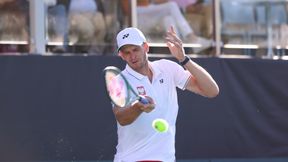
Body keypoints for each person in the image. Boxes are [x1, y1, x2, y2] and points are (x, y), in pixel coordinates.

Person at [113, 26, 219, 161]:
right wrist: (138, 107)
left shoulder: (168, 68)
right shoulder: (118, 81)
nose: (132, 56)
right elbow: (121, 117)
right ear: (121, 55)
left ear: (146, 47)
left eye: (135, 49)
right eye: (126, 52)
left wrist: (183, 59)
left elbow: (211, 91)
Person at [121, 0, 212, 53]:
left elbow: (154, 2)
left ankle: (177, 49)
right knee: (171, 6)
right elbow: (127, 11)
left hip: (147, 17)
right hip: (135, 19)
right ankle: (191, 37)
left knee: (168, 19)